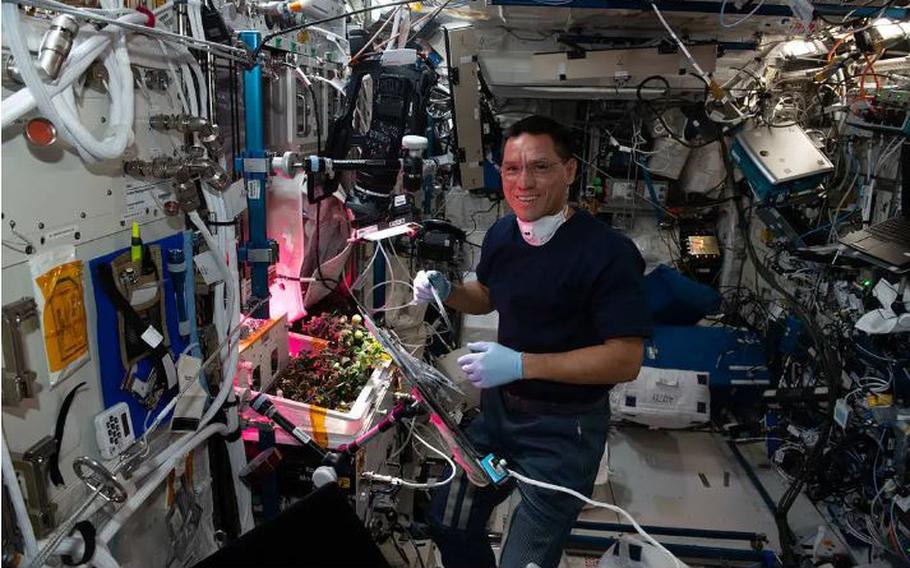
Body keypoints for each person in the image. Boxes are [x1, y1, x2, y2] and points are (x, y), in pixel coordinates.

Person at [413, 114, 651, 568]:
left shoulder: (608, 253)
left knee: (524, 560)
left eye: (540, 167)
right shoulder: (504, 232)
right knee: (449, 519)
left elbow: (625, 359)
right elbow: (485, 296)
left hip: (563, 434)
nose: (523, 182)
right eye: (511, 169)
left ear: (570, 171)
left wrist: (522, 364)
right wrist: (447, 290)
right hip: (498, 421)